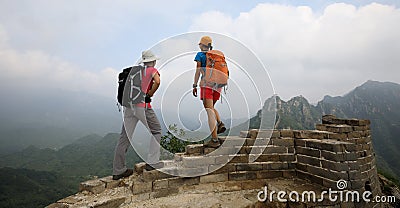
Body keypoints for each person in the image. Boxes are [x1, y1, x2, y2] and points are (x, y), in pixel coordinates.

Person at [112, 50, 163, 180]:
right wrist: (150, 94)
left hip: (128, 107)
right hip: (142, 107)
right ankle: (153, 162)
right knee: (156, 131)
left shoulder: (135, 72)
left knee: (125, 137)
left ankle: (118, 170)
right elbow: (157, 82)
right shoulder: (151, 70)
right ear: (153, 61)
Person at [192, 36, 226, 148]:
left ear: (202, 45)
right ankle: (220, 122)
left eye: (200, 44)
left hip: (206, 85)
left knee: (209, 111)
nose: (199, 46)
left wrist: (194, 85)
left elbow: (198, 70)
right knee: (211, 108)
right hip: (218, 85)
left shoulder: (200, 55)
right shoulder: (216, 56)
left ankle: (214, 140)